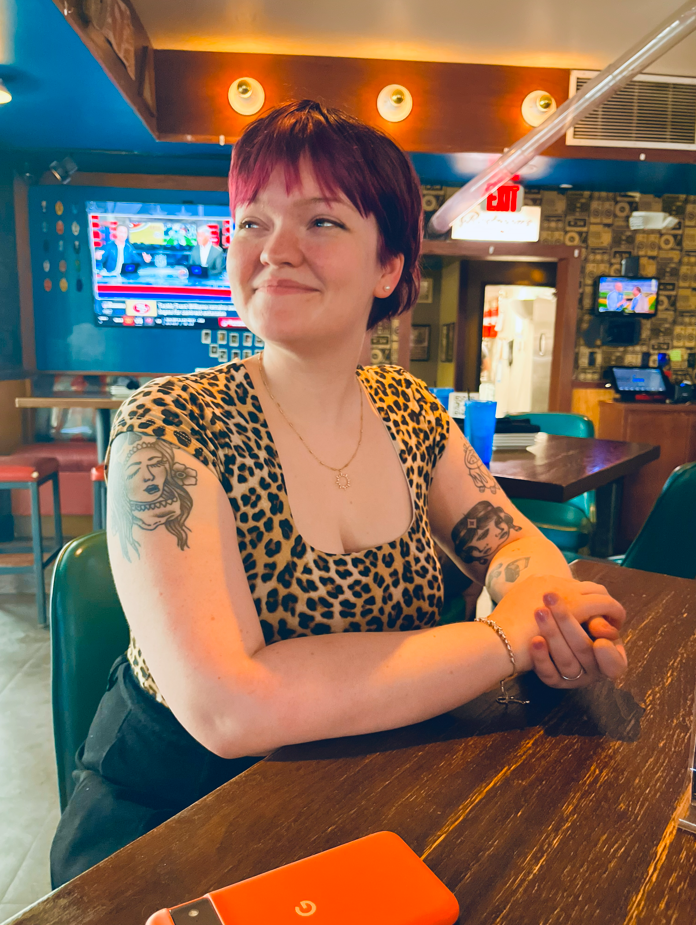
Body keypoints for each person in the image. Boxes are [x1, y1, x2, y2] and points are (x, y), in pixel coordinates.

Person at [50, 100, 627, 886]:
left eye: (320, 222)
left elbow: (514, 541)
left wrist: (555, 619)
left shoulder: (411, 412)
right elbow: (232, 708)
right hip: (176, 823)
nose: (275, 249)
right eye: (251, 222)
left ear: (389, 266)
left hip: (370, 801)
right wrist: (504, 640)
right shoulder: (170, 424)